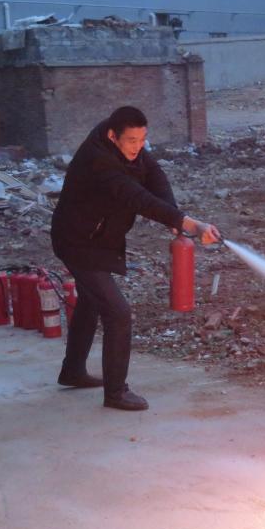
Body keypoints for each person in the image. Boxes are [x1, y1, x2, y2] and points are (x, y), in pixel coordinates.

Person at [51, 105, 219, 411]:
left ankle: (73, 371)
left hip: (98, 238)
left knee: (91, 301)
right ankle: (116, 393)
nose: (138, 147)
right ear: (112, 136)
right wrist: (189, 223)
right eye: (132, 141)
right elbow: (135, 197)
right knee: (118, 313)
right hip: (77, 242)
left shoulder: (126, 142)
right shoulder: (98, 160)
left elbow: (154, 174)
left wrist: (172, 215)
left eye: (142, 140)